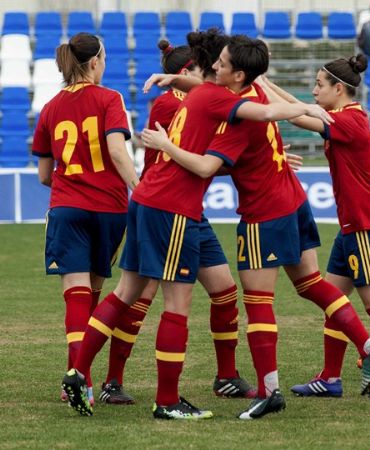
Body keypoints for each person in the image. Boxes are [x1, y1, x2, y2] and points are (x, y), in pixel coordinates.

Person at [61, 28, 338, 419]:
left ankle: (77, 373)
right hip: (173, 207)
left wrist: (174, 78)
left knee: (124, 292)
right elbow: (266, 112)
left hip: (145, 199)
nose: (219, 66)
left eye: (224, 63)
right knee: (177, 304)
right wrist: (309, 110)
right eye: (221, 62)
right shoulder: (221, 99)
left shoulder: (202, 93)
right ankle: (168, 401)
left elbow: (219, 100)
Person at [141, 36, 370, 418]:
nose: (214, 71)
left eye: (222, 65)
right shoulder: (252, 95)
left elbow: (211, 161)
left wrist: (167, 140)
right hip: (293, 200)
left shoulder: (242, 115)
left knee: (258, 303)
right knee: (310, 283)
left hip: (264, 211)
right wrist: (174, 79)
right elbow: (212, 95)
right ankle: (368, 345)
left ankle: (269, 391)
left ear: (239, 74)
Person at [98, 39, 256, 406]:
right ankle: (111, 380)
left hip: (188, 208)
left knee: (224, 290)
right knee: (142, 296)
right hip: (166, 207)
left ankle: (227, 376)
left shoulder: (193, 100)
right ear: (188, 74)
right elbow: (198, 155)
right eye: (208, 70)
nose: (215, 76)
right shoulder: (171, 104)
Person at [260, 55, 370, 400]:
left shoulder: (351, 120)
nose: (314, 90)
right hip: (352, 224)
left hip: (367, 223)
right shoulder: (340, 115)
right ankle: (330, 378)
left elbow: (300, 116)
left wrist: (258, 87)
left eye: (320, 85)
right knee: (334, 300)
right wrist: (264, 82)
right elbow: (299, 107)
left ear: (339, 88)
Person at [32, 32, 138, 407]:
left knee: (75, 301)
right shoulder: (110, 98)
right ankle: (79, 379)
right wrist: (137, 188)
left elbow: (45, 174)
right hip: (109, 209)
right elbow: (116, 151)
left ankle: (79, 384)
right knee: (92, 298)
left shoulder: (50, 107)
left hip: (68, 207)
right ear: (95, 63)